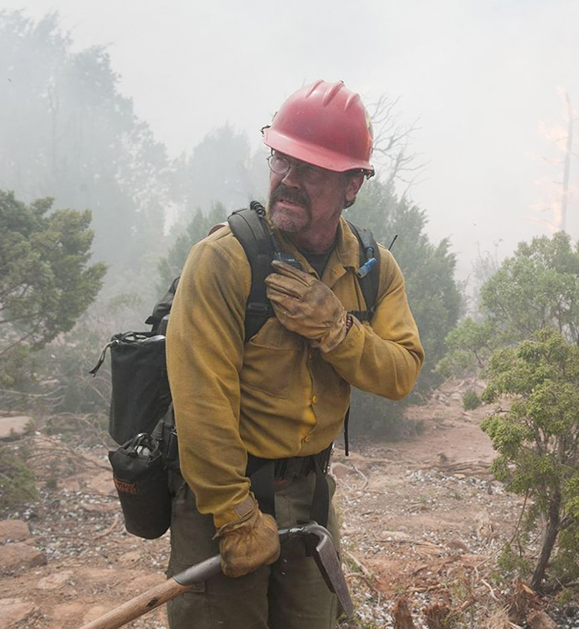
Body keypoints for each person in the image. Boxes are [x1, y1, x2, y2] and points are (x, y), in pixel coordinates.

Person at [164, 80, 424, 628]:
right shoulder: (225, 260)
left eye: (311, 170)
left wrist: (338, 331)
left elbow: (401, 372)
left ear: (352, 185)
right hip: (222, 496)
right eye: (282, 161)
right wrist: (235, 517)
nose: (288, 180)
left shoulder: (374, 270)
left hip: (309, 500)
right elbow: (200, 404)